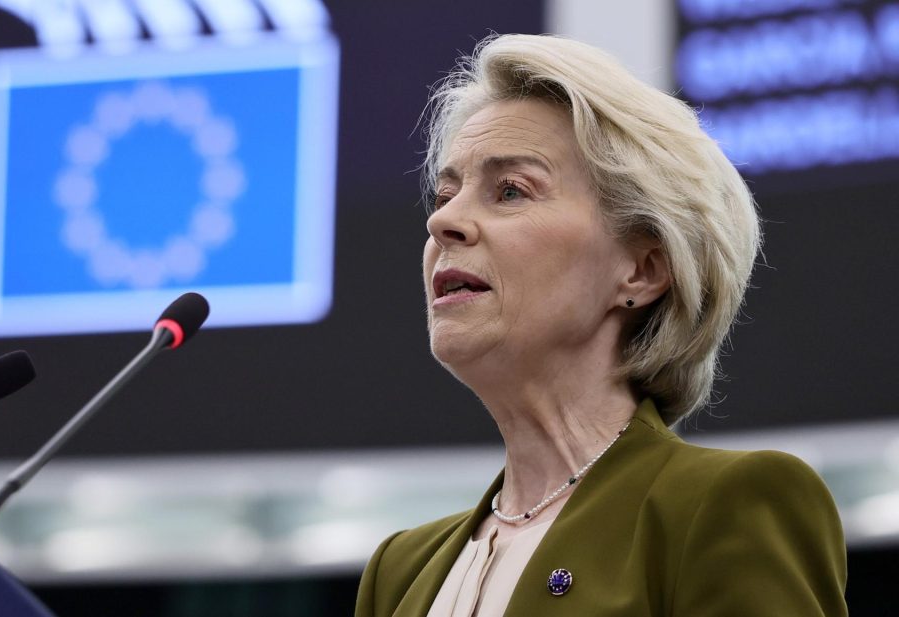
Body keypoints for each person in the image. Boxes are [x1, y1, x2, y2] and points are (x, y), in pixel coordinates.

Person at [355, 34, 847, 617]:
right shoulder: (398, 573)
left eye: (510, 190)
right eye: (446, 193)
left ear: (642, 270)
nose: (444, 221)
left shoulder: (723, 506)